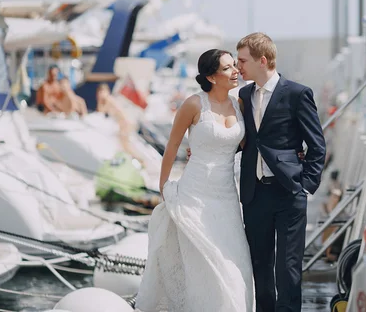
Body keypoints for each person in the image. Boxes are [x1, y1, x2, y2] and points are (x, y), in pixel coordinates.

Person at [135, 49, 254, 312]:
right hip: (195, 194)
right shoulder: (193, 104)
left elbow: (244, 144)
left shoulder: (240, 104)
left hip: (226, 196)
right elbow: (172, 145)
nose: (235, 71)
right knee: (200, 263)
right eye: (227, 68)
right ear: (212, 77)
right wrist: (164, 186)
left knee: (236, 263)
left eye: (235, 65)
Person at [236, 32, 326, 312]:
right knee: (260, 265)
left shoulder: (298, 94)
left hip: (289, 192)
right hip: (254, 193)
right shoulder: (243, 94)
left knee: (287, 270)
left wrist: (306, 186)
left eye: (242, 60)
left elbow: (317, 145)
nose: (238, 67)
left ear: (262, 61)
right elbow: (247, 139)